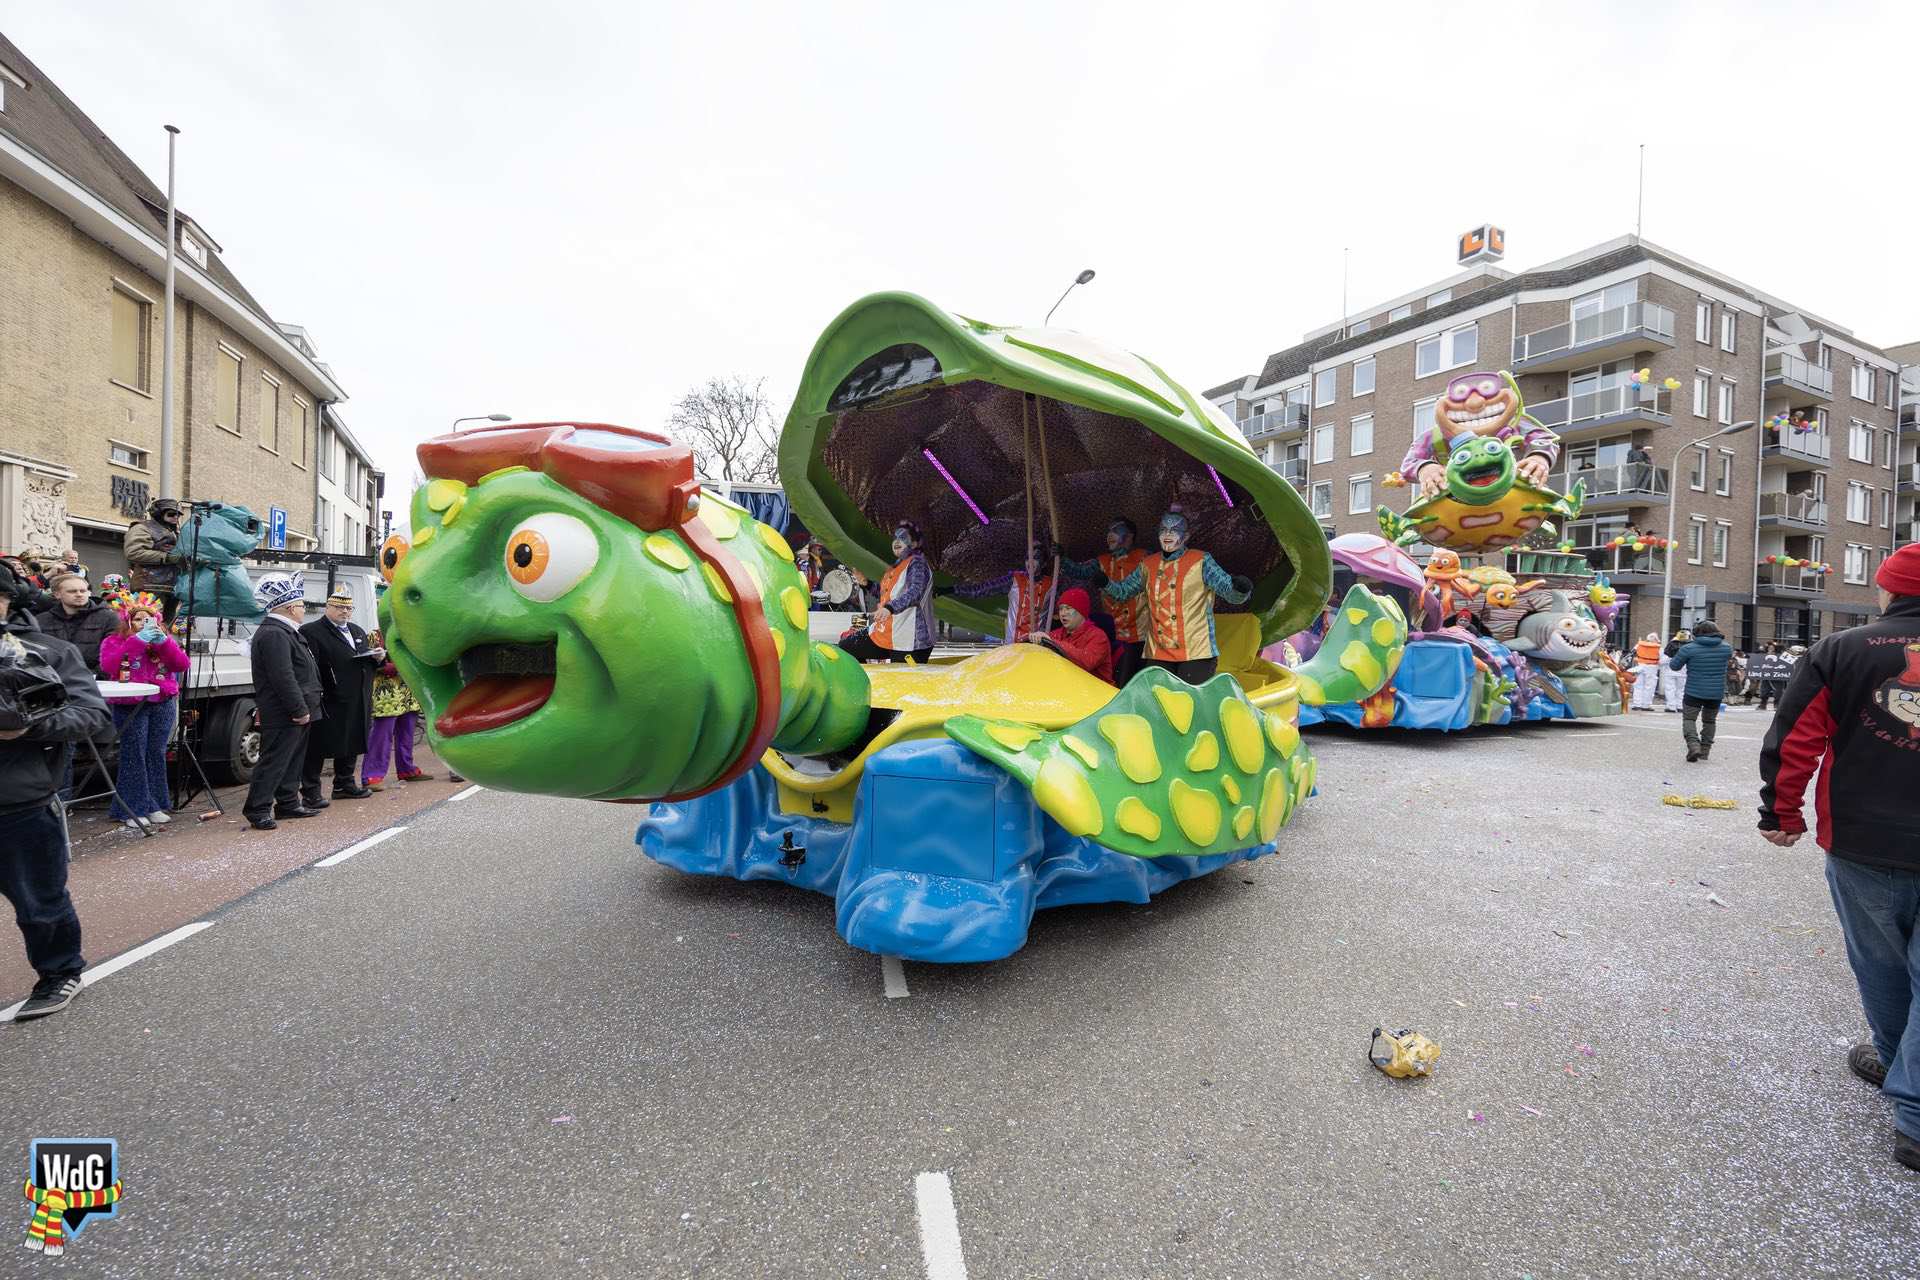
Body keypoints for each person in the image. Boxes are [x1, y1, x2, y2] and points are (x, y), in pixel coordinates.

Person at [1758, 543, 1920, 1173]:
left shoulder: (1842, 649)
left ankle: (1896, 1064)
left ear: (1887, 590)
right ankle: (1913, 1111)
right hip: (1866, 839)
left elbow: (1796, 735)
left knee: (1880, 962)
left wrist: (1782, 812)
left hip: (1864, 837)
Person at [0, 567, 111, 1020]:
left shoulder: (46, 651)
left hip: (18, 802)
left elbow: (92, 715)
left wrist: (26, 727)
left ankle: (59, 972)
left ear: (6, 600)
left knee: (39, 903)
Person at [1103, 507, 1252, 685]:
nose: (1168, 534)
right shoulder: (1148, 564)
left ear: (1186, 536)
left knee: (1189, 699)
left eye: (1174, 530)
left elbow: (1229, 592)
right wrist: (1105, 583)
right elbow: (1123, 592)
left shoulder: (1201, 561)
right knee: (1157, 697)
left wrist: (1241, 589)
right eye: (1164, 529)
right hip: (1159, 653)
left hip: (1196, 653)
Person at [97, 592, 190, 829]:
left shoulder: (164, 639)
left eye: (148, 619)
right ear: (128, 622)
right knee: (133, 754)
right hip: (130, 703)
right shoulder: (114, 641)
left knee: (155, 753)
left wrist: (164, 643)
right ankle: (131, 808)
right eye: (137, 619)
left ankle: (155, 804)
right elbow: (110, 666)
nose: (143, 623)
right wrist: (137, 641)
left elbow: (181, 664)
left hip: (162, 700)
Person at [243, 573, 323, 830]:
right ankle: (258, 809)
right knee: (274, 761)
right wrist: (298, 708)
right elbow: (283, 676)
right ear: (289, 608)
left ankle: (288, 802)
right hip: (284, 711)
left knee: (292, 760)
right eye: (301, 605)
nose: (304, 609)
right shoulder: (275, 634)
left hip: (297, 708)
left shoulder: (284, 631)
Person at [1401, 370, 1560, 498]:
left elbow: (1545, 439)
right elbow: (1410, 461)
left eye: (1487, 391)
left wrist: (1539, 457)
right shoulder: (1436, 436)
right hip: (1454, 501)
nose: (1475, 403)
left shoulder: (1514, 425)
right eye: (1460, 395)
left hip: (1511, 495)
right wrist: (1425, 468)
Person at [299, 586, 376, 805]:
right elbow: (310, 666)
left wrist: (376, 660)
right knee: (317, 746)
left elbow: (363, 660)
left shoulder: (357, 631)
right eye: (339, 607)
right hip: (329, 698)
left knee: (352, 740)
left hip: (357, 696)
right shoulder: (311, 631)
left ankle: (344, 784)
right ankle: (311, 792)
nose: (345, 612)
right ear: (328, 607)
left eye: (349, 608)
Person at [1064, 518, 1150, 685]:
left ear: (1129, 536)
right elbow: (1079, 571)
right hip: (1114, 633)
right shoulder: (1102, 562)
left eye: (1116, 530)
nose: (1109, 535)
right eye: (1109, 531)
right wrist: (1061, 558)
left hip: (1142, 634)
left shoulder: (1145, 558)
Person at [839, 521, 935, 664]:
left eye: (903, 538)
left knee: (900, 677)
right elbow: (887, 595)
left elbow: (915, 592)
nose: (897, 541)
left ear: (914, 544)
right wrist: (866, 583)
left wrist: (889, 608)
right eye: (895, 538)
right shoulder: (897, 566)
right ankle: (864, 676)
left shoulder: (917, 563)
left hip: (911, 640)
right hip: (885, 633)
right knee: (847, 646)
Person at [362, 630, 431, 791]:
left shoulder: (407, 633)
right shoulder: (374, 635)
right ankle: (372, 775)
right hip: (387, 693)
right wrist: (401, 667)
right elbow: (371, 663)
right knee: (382, 735)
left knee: (407, 733)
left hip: (408, 690)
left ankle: (406, 769)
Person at [1667, 620, 1731, 762]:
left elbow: (1674, 666)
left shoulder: (1688, 648)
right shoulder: (1727, 648)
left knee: (1689, 719)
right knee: (1710, 721)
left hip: (1693, 690)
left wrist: (1679, 651)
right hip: (1716, 692)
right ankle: (1705, 751)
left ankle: (1693, 745)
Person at [1022, 586, 1113, 684]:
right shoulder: (1057, 634)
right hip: (1066, 686)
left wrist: (1054, 643)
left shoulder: (1098, 637)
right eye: (1061, 609)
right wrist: (1036, 639)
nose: (1063, 613)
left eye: (1068, 608)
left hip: (1096, 689)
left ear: (1081, 612)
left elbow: (1087, 661)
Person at [32, 572, 115, 675]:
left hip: (97, 679)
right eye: (72, 591)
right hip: (54, 679)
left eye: (83, 591)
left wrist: (92, 676)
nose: (79, 594)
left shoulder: (108, 618)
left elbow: (114, 654)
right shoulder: (41, 620)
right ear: (57, 594)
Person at [124, 497, 187, 620]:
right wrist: (167, 557)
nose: (175, 517)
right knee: (145, 624)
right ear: (158, 513)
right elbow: (134, 552)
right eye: (171, 514)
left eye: (178, 515)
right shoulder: (142, 528)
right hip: (148, 587)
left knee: (166, 627)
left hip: (172, 588)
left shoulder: (175, 532)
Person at [1659, 629, 1691, 712]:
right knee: (1681, 690)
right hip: (1683, 672)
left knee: (1670, 689)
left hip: (1670, 671)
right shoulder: (1689, 647)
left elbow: (1663, 661)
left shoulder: (1671, 645)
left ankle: (1671, 706)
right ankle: (1680, 706)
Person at [1630, 632, 1662, 710]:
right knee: (1649, 687)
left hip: (1640, 666)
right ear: (1656, 639)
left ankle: (1637, 704)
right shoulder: (1658, 648)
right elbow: (1662, 659)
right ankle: (1646, 705)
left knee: (1638, 686)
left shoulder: (1639, 645)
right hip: (1652, 668)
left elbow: (1632, 653)